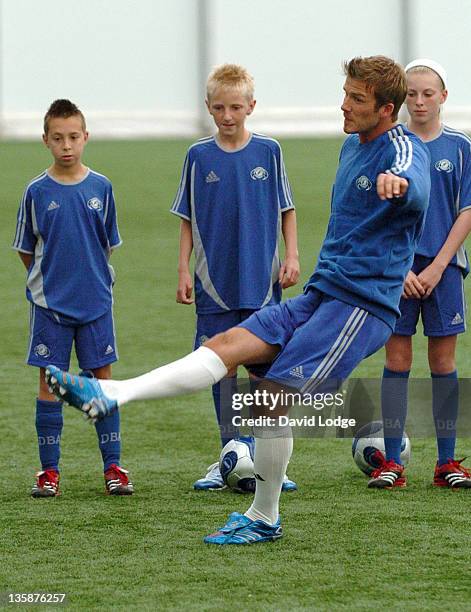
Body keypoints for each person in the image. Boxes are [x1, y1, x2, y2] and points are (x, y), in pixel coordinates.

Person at [46, 56, 431, 544]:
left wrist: (400, 186)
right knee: (227, 343)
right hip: (321, 293)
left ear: (386, 108)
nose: (344, 105)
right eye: (346, 93)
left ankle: (265, 517)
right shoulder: (352, 147)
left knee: (268, 402)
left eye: (357, 98)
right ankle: (112, 394)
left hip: (360, 307)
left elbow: (412, 179)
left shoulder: (401, 147)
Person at [171, 63, 300, 491]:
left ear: (251, 107)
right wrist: (182, 269)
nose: (228, 116)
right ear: (208, 107)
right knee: (220, 367)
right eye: (220, 108)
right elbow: (187, 218)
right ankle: (230, 455)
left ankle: (268, 460)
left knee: (263, 372)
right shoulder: (198, 156)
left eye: (236, 107)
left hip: (262, 282)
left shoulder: (270, 151)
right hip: (213, 282)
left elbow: (286, 209)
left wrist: (293, 257)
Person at [12, 99, 133, 497]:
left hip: (96, 303)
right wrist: (51, 283)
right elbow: (26, 249)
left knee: (103, 384)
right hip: (51, 308)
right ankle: (49, 472)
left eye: (74, 137)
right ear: (46, 140)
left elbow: (107, 244)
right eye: (58, 138)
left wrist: (88, 277)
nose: (67, 145)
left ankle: (113, 467)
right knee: (49, 383)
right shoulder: (35, 191)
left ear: (86, 137)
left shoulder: (101, 187)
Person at [372, 59, 471, 490]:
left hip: (444, 269)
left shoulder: (460, 146)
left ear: (443, 97)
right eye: (411, 94)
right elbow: (380, 212)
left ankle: (446, 462)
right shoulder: (391, 144)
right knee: (396, 360)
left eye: (428, 93)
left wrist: (437, 265)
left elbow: (465, 211)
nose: (419, 101)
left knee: (443, 362)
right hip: (397, 270)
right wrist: (405, 264)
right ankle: (391, 463)